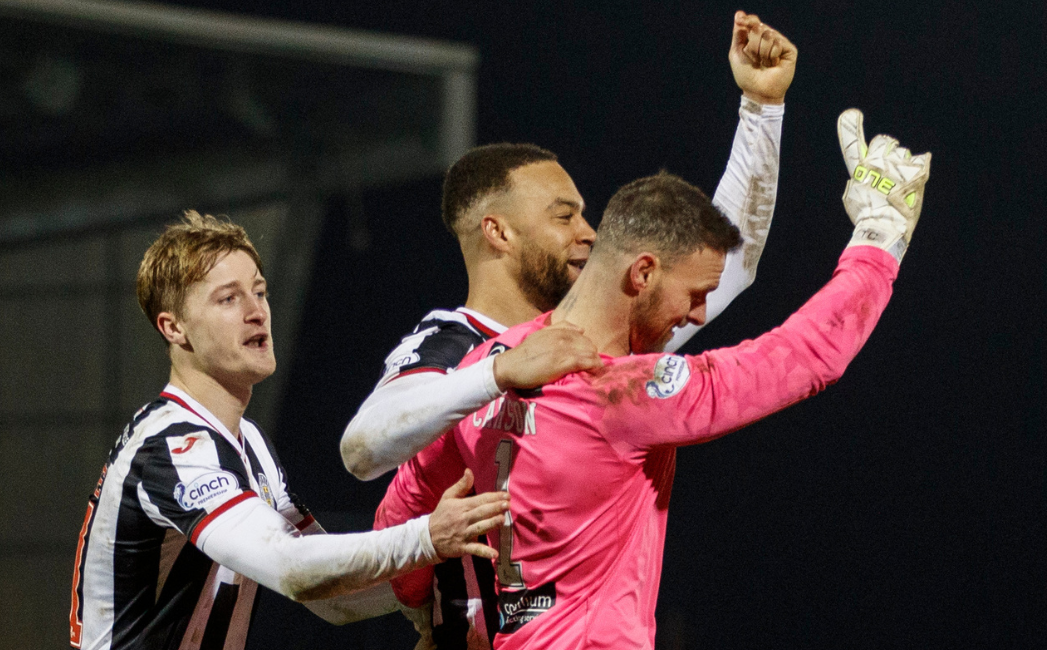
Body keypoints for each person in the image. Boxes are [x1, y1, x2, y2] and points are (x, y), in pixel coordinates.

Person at [374, 110, 932, 649]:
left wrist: (426, 613)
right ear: (641, 272)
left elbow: (403, 506)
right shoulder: (621, 394)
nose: (695, 316)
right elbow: (800, 358)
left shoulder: (483, 372)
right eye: (693, 296)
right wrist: (879, 242)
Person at [339, 13, 796, 646]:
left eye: (585, 214)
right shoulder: (451, 343)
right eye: (565, 216)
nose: (587, 233)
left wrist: (761, 109)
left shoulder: (603, 348)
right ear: (497, 231)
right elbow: (363, 449)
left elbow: (731, 265)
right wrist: (497, 372)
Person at [68, 212, 509, 650]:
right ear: (174, 327)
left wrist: (437, 598)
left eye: (259, 291)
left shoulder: (249, 441)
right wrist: (426, 538)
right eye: (228, 299)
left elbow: (332, 599)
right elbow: (292, 569)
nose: (256, 311)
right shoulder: (176, 445)